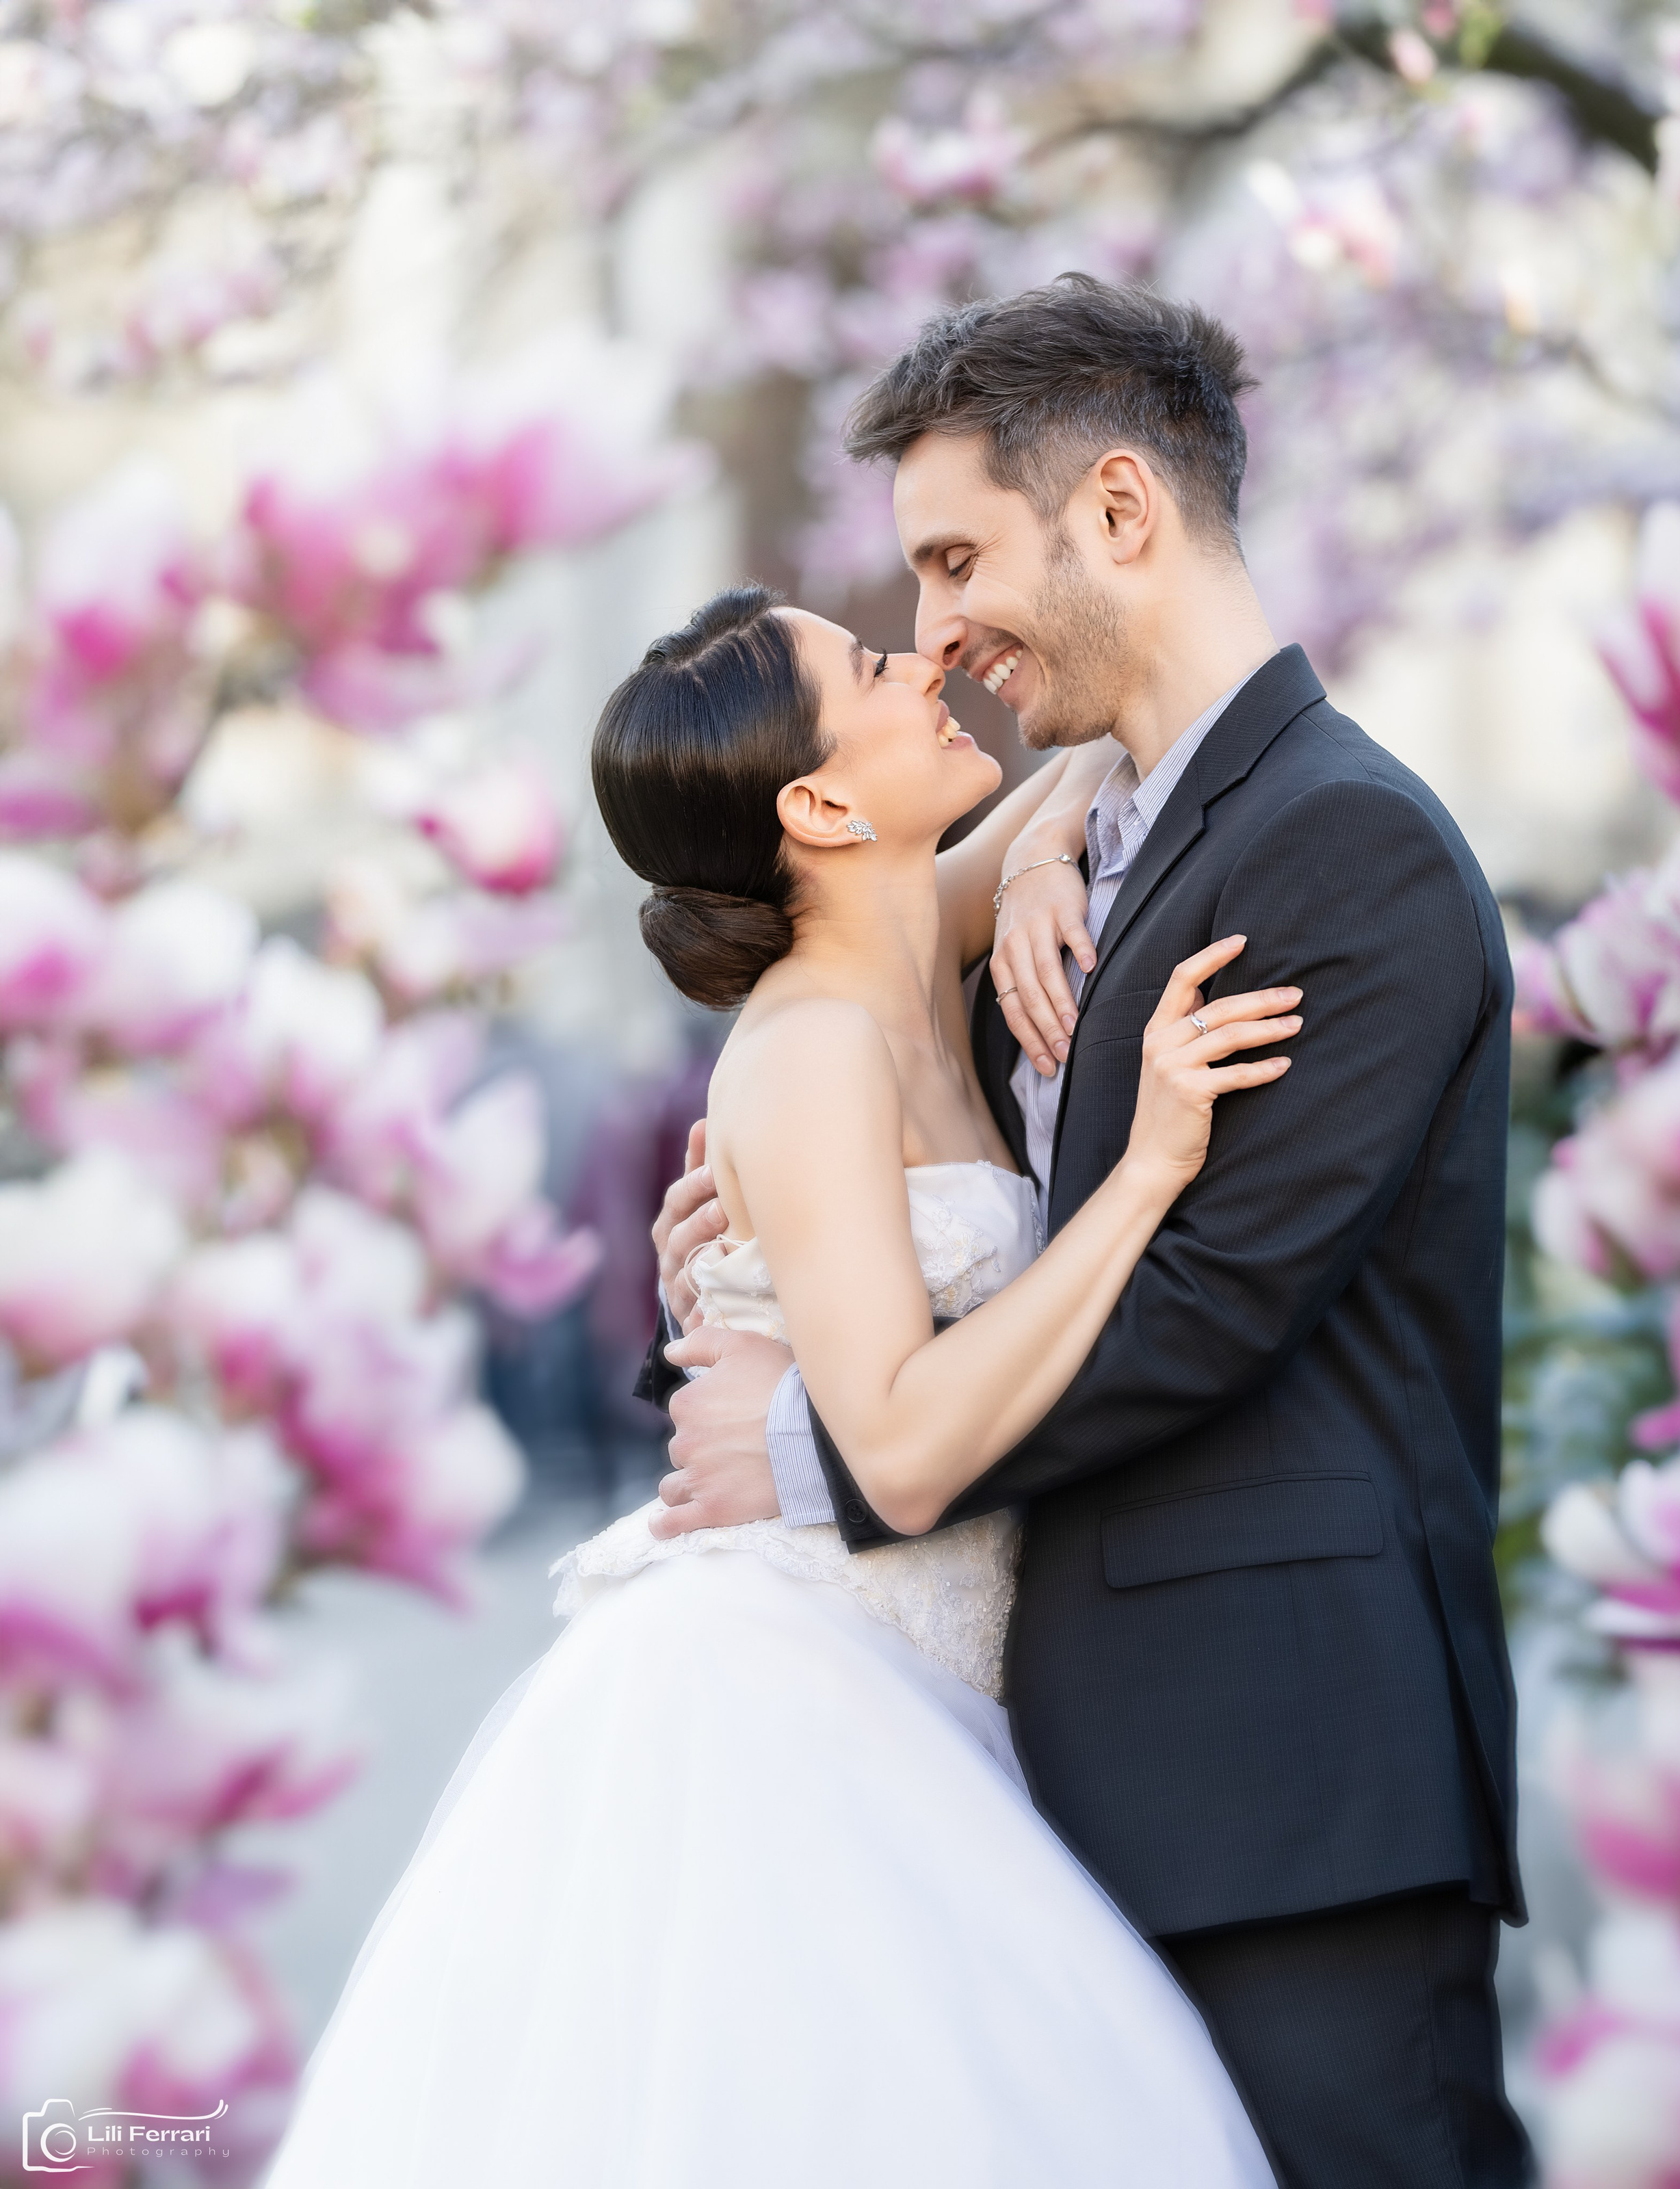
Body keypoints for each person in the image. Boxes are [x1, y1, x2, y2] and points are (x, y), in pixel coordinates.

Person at [645, 276, 1532, 2189]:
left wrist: (815, 1448)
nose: (935, 630)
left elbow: (1211, 1305)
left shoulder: (1347, 844)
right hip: (1050, 1773)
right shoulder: (1079, 842)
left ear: (1121, 513)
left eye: (957, 557)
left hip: (1291, 1780)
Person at [261, 573, 1296, 2189]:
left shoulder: (911, 935)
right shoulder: (809, 1045)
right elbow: (891, 1445)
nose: (929, 659)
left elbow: (1132, 736)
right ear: (815, 801)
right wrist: (1149, 1173)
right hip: (796, 1692)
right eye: (882, 663)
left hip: (949, 1682)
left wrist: (1024, 865)